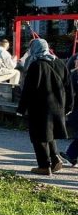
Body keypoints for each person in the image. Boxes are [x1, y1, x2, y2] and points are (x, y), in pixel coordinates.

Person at [17, 38, 73, 175]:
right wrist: (69, 106)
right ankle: (55, 158)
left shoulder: (36, 65)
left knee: (38, 136)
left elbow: (28, 89)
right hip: (58, 105)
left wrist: (21, 108)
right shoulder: (60, 63)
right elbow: (69, 87)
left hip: (40, 107)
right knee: (49, 133)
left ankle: (44, 166)